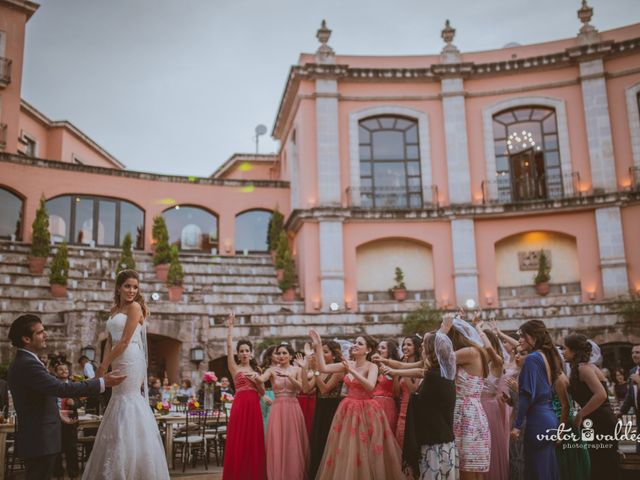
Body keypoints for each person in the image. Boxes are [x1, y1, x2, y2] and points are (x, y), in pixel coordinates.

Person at [7, 314, 125, 480]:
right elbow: (60, 388)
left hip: (39, 437)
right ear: (26, 338)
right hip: (39, 440)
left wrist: (57, 413)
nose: (46, 335)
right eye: (40, 332)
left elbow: (36, 397)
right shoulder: (28, 363)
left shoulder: (26, 361)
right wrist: (101, 382)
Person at [81, 269, 170, 479]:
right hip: (116, 357)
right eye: (128, 286)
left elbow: (124, 341)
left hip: (130, 357)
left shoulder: (135, 307)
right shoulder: (114, 309)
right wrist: (103, 365)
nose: (131, 290)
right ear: (119, 287)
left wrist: (102, 368)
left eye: (135, 287)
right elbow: (110, 341)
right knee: (117, 399)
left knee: (129, 399)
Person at [309, 329, 404, 480]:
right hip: (348, 409)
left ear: (368, 350)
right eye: (355, 343)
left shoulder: (371, 366)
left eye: (360, 343)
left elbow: (370, 387)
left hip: (367, 410)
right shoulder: (348, 364)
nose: (355, 345)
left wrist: (352, 372)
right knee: (347, 448)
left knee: (366, 449)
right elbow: (323, 368)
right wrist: (319, 346)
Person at [403, 319, 457, 480]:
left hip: (434, 441)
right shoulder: (443, 371)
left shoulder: (434, 376)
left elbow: (421, 404)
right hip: (443, 438)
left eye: (422, 346)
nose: (420, 349)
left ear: (430, 350)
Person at [511, 320, 561, 480]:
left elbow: (526, 395)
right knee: (548, 466)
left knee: (537, 469)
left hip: (538, 420)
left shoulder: (533, 358)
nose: (519, 340)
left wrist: (517, 425)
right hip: (550, 416)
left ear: (532, 337)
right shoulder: (547, 355)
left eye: (522, 336)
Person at [564, 334, 619, 478]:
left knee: (603, 464)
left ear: (574, 351)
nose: (563, 352)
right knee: (596, 463)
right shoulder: (580, 368)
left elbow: (601, 395)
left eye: (566, 349)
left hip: (601, 421)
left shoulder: (584, 368)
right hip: (594, 420)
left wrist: (581, 414)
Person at [222, 313, 266, 479]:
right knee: (239, 439)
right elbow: (228, 347)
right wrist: (230, 328)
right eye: (241, 351)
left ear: (251, 353)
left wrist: (258, 382)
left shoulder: (258, 371)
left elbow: (261, 392)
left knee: (253, 440)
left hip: (254, 405)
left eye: (247, 350)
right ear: (238, 354)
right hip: (240, 405)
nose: (244, 353)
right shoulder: (234, 368)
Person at [447, 313, 491, 480]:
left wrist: (441, 333)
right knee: (471, 467)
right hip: (472, 411)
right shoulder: (476, 351)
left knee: (466, 467)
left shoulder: (469, 352)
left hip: (465, 412)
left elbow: (439, 359)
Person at [258, 342, 309, 479]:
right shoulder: (272, 370)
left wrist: (290, 377)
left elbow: (302, 388)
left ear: (291, 355)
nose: (281, 356)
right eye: (278, 353)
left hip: (293, 406)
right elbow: (261, 379)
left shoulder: (297, 369)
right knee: (278, 441)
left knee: (292, 442)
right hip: (278, 407)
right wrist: (256, 377)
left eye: (284, 353)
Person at [302, 340, 344, 479]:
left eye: (325, 352)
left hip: (332, 411)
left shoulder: (339, 370)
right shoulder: (319, 371)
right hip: (320, 410)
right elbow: (306, 389)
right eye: (322, 351)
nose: (321, 354)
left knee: (330, 444)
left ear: (334, 355)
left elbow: (325, 390)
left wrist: (315, 371)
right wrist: (304, 368)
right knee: (318, 443)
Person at [475, 321, 509, 480]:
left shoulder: (497, 362)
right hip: (476, 407)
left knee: (491, 446)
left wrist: (479, 329)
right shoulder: (477, 363)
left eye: (481, 343)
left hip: (489, 407)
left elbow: (489, 348)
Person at [52, 363, 80, 480]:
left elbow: (80, 402)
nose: (64, 371)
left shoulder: (74, 385)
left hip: (71, 422)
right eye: (60, 369)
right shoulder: (52, 386)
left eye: (65, 369)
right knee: (56, 450)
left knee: (71, 450)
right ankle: (58, 475)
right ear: (56, 372)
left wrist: (74, 403)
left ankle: (73, 475)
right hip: (56, 422)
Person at [396, 335, 421, 448]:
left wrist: (404, 370)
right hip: (401, 409)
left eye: (409, 344)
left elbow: (414, 389)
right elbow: (396, 392)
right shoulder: (400, 363)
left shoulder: (420, 364)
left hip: (413, 408)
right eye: (404, 344)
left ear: (416, 347)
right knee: (400, 442)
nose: (405, 347)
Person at [372, 339, 400, 433]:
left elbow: (396, 393)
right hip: (372, 404)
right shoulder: (373, 366)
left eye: (383, 348)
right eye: (378, 347)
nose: (379, 350)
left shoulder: (394, 368)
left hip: (386, 405)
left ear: (390, 351)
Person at [618, 343, 640, 454]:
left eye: (637, 352)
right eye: (633, 353)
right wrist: (620, 412)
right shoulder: (633, 371)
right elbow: (631, 396)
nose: (634, 355)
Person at [259, 345, 276, 434]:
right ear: (270, 356)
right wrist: (263, 396)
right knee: (267, 419)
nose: (279, 355)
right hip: (267, 394)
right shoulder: (264, 369)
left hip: (279, 395)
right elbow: (259, 383)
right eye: (276, 353)